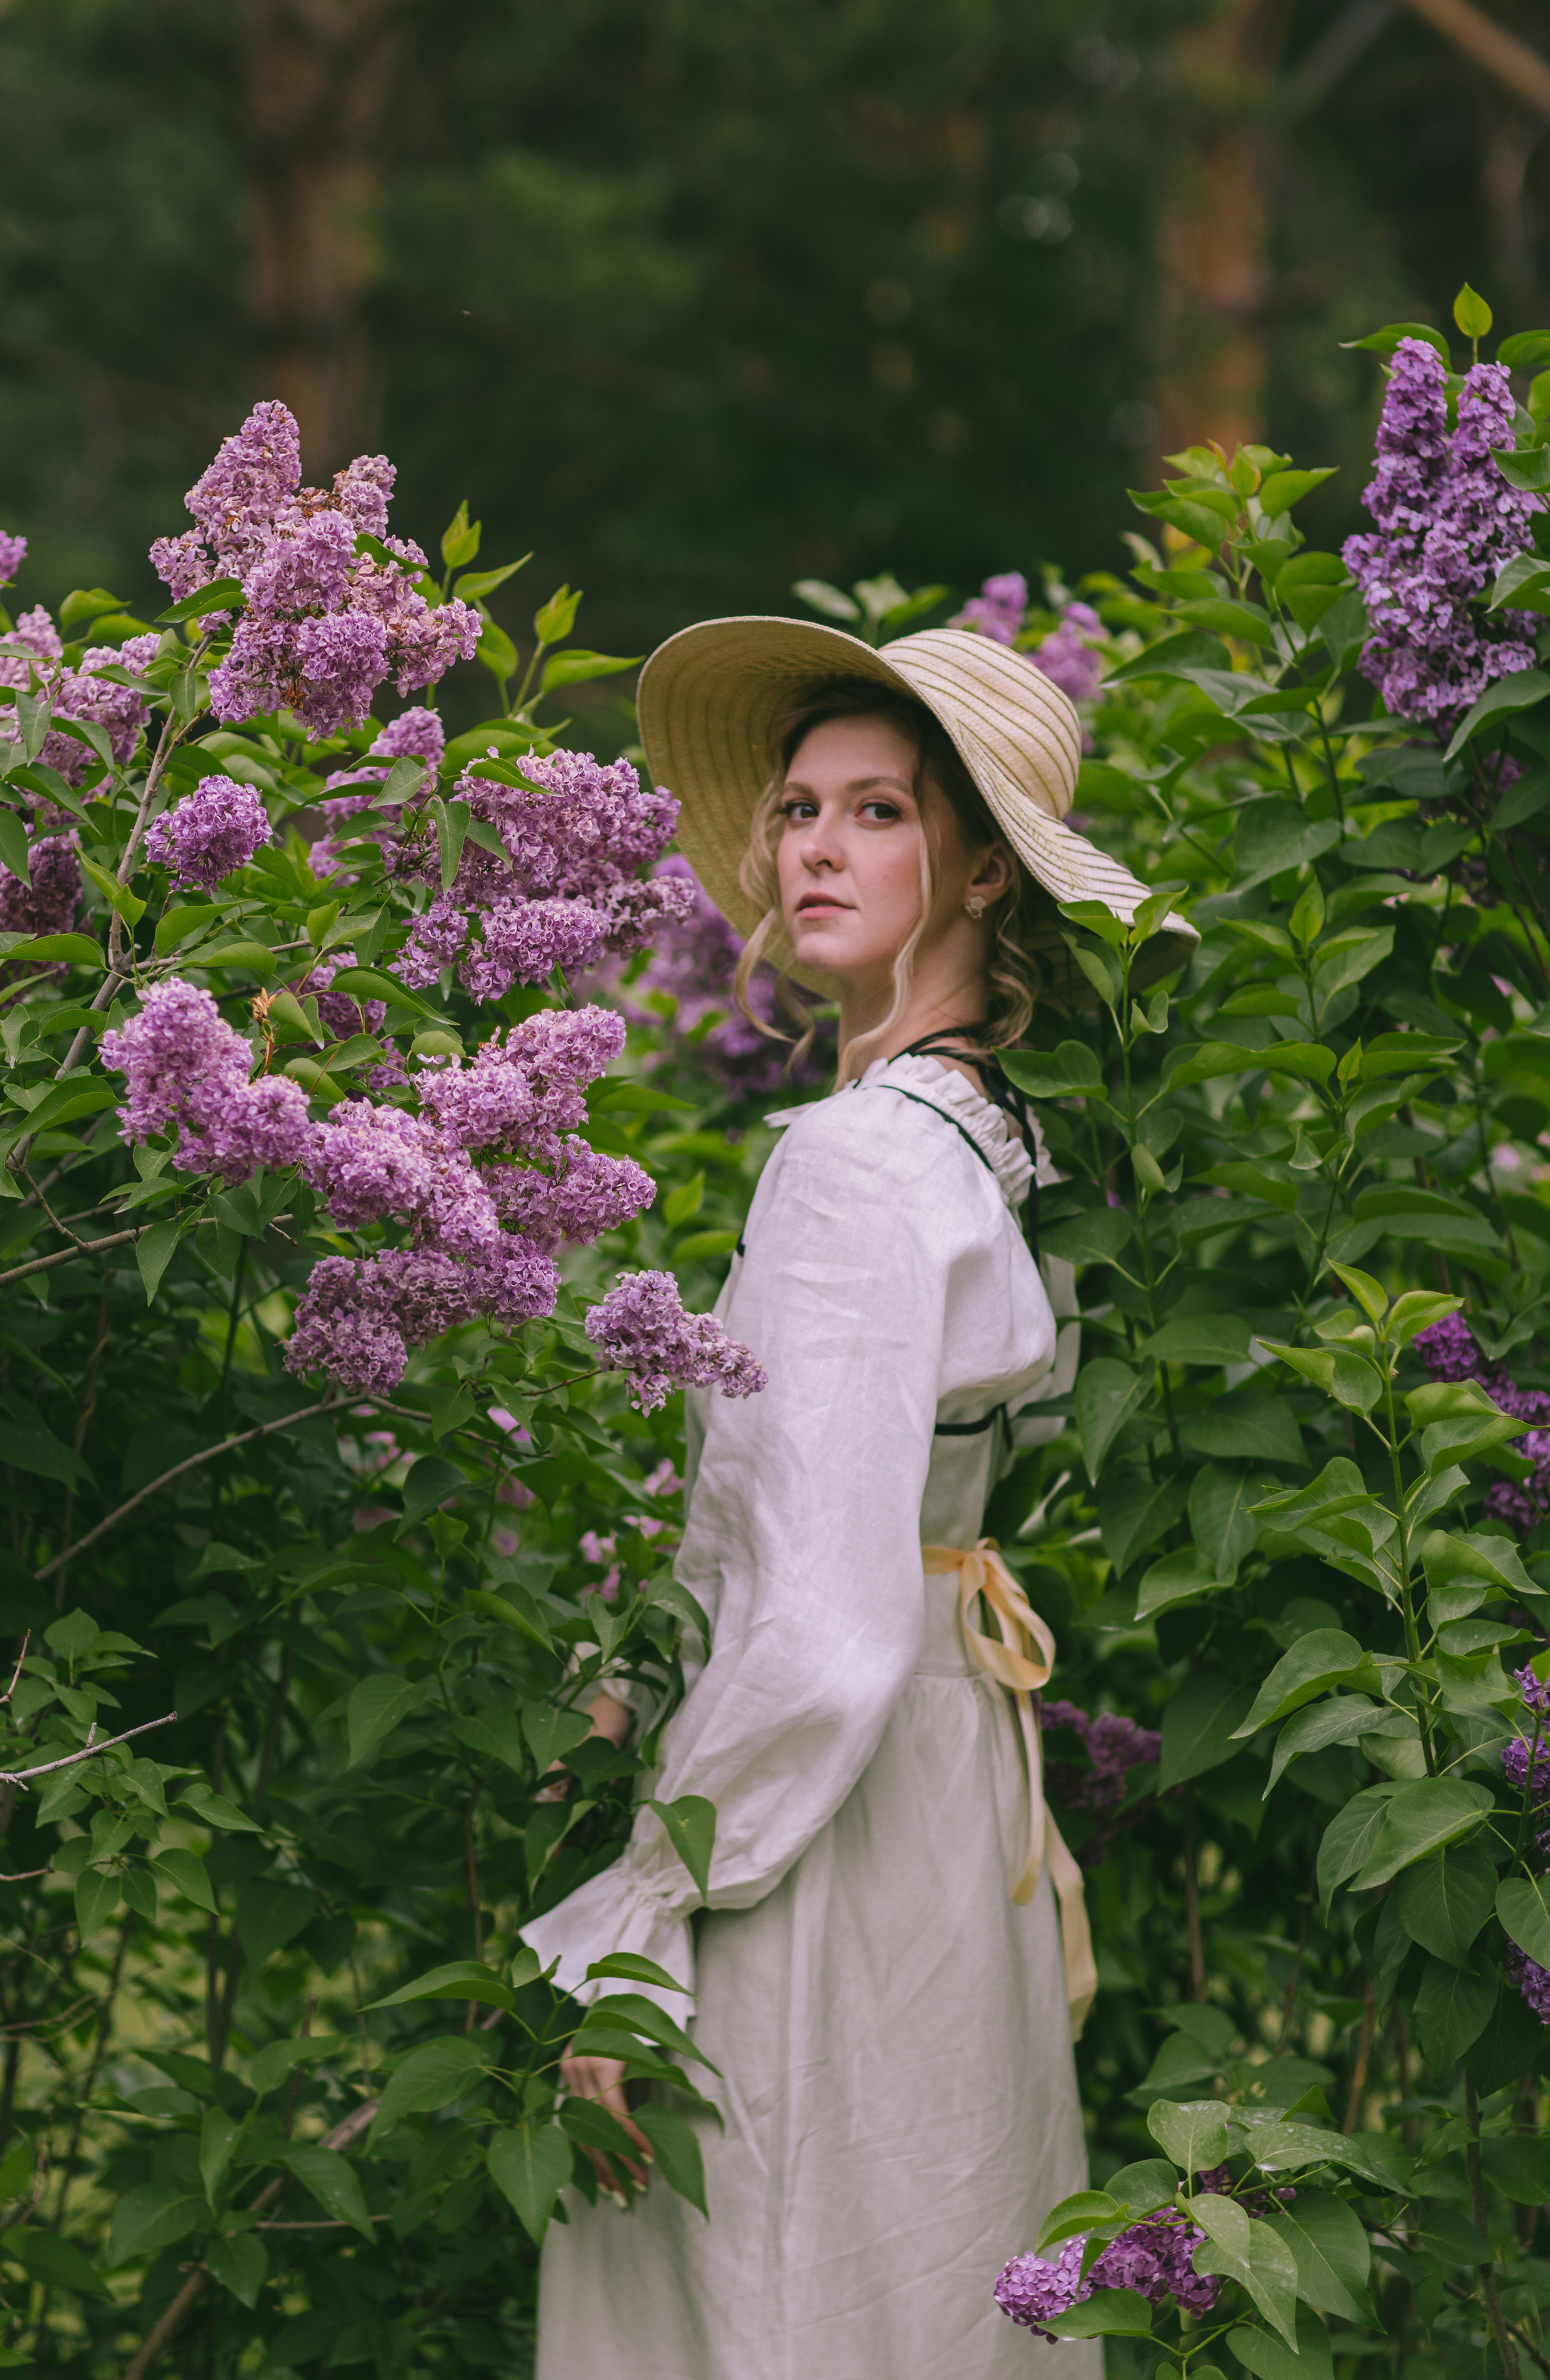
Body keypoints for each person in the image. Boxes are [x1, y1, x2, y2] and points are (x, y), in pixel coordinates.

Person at [523, 619, 1195, 2380]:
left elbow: (820, 1628)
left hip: (815, 1828)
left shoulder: (857, 1163)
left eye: (878, 809)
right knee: (930, 2275)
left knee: (778, 2292)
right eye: (802, 808)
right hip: (940, 1793)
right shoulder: (987, 1138)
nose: (813, 845)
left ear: (980, 865)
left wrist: (644, 1928)